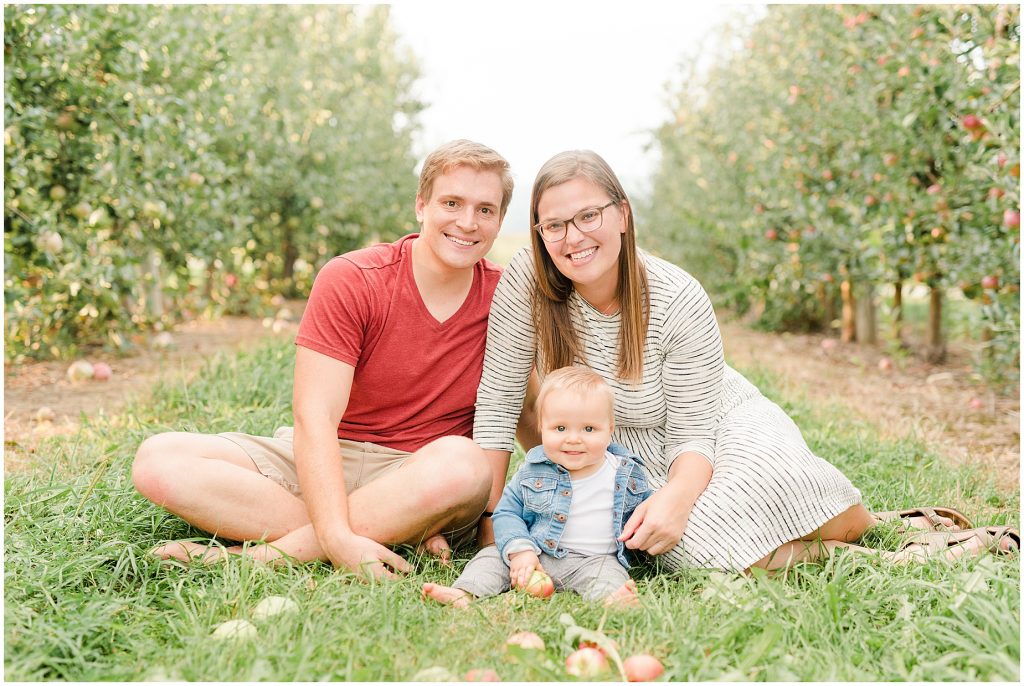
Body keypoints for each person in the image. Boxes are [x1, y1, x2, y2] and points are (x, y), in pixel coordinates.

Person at [471, 149, 1018, 573]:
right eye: (555, 225)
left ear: (621, 214)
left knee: (814, 507)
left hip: (714, 425)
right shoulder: (529, 282)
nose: (573, 237)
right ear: (540, 233)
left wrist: (677, 501)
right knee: (708, 552)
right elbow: (498, 403)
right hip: (625, 453)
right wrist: (492, 524)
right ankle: (875, 558)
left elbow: (693, 433)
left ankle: (880, 526)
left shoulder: (676, 297)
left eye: (588, 215)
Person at [132, 139, 525, 579]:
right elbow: (314, 417)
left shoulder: (508, 298)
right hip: (325, 457)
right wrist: (336, 535)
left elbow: (523, 409)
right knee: (158, 459)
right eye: (451, 202)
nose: (467, 222)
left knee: (464, 464)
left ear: (500, 220)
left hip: (423, 473)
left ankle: (260, 557)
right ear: (421, 205)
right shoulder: (353, 279)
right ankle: (389, 531)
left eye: (485, 210)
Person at [423, 367, 650, 607]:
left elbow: (647, 509)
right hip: (536, 553)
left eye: (589, 429)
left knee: (609, 574)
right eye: (560, 428)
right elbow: (507, 512)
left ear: (610, 428)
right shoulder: (532, 471)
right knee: (490, 558)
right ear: (542, 426)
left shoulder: (624, 473)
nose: (574, 438)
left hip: (593, 560)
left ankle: (613, 600)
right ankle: (463, 592)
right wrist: (520, 550)